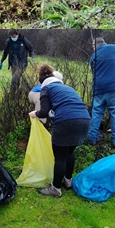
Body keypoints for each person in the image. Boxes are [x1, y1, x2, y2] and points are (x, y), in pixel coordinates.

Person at [29, 64, 91, 198]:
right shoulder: (67, 88)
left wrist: (35, 113)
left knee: (60, 157)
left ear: (41, 82)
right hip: (84, 120)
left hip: (66, 121)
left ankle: (55, 189)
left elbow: (44, 111)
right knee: (69, 152)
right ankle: (68, 181)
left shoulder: (46, 88)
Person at [87, 37, 115, 146]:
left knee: (96, 114)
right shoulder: (114, 48)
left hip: (98, 89)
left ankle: (92, 138)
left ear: (94, 46)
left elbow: (94, 74)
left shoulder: (93, 57)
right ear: (105, 43)